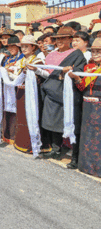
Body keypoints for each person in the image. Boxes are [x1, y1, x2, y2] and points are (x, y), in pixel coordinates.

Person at [30, 26, 86, 159]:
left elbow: (77, 72)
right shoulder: (52, 54)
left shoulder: (76, 54)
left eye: (63, 38)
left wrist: (67, 72)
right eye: (57, 39)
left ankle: (72, 153)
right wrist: (36, 70)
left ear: (70, 40)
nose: (59, 41)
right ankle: (55, 148)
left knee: (67, 122)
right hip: (51, 92)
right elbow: (48, 74)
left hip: (65, 94)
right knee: (51, 122)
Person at [70, 38, 101, 172]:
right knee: (88, 135)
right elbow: (82, 87)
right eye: (93, 51)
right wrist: (76, 78)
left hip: (99, 107)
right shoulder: (89, 67)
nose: (95, 53)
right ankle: (87, 166)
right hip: (88, 106)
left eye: (98, 51)